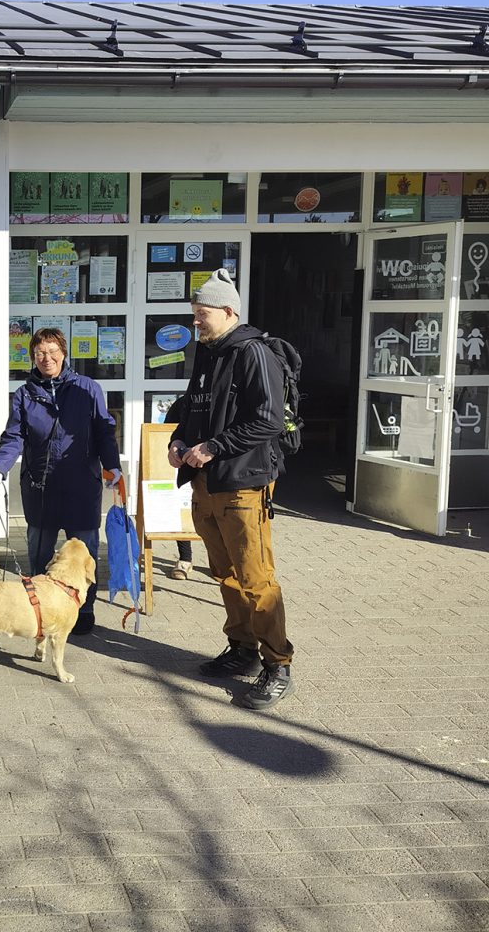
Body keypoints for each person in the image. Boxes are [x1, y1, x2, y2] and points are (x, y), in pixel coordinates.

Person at [167, 268, 296, 710]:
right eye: (194, 314)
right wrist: (179, 441)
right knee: (224, 574)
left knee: (256, 578)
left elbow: (268, 420)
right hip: (207, 484)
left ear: (228, 312)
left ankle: (277, 663)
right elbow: (192, 409)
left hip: (243, 484)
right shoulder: (208, 353)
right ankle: (241, 649)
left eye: (201, 314)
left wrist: (214, 447)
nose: (195, 322)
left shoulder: (253, 353)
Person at [0, 326, 121, 635]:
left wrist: (112, 466)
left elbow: (104, 430)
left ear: (63, 353)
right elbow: (14, 437)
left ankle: (83, 610)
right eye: (39, 353)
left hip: (81, 486)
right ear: (33, 357)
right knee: (39, 555)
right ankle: (39, 610)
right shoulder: (24, 394)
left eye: (51, 352)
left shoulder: (88, 388)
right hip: (41, 487)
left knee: (84, 557)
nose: (46, 358)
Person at [164, 394, 193, 580]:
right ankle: (185, 559)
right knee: (182, 509)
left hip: (220, 469)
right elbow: (165, 431)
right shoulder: (185, 402)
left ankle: (224, 565)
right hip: (184, 465)